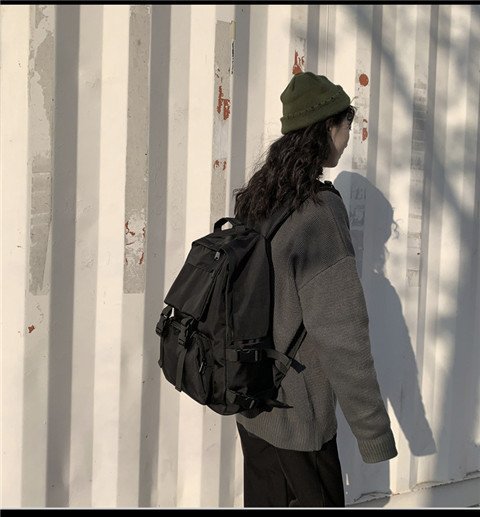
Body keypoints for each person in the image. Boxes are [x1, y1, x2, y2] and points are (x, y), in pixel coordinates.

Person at [233, 71, 398, 508]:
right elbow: (343, 337)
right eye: (346, 125)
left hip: (253, 404)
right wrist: (374, 435)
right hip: (299, 424)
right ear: (328, 127)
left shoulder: (260, 196)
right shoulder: (319, 215)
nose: (349, 136)